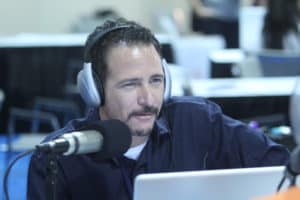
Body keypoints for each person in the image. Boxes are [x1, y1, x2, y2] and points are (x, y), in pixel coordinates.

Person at [27, 18, 289, 200]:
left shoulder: (200, 122)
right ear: (94, 90)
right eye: (130, 85)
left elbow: (285, 172)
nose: (148, 98)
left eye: (156, 81)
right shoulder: (58, 157)